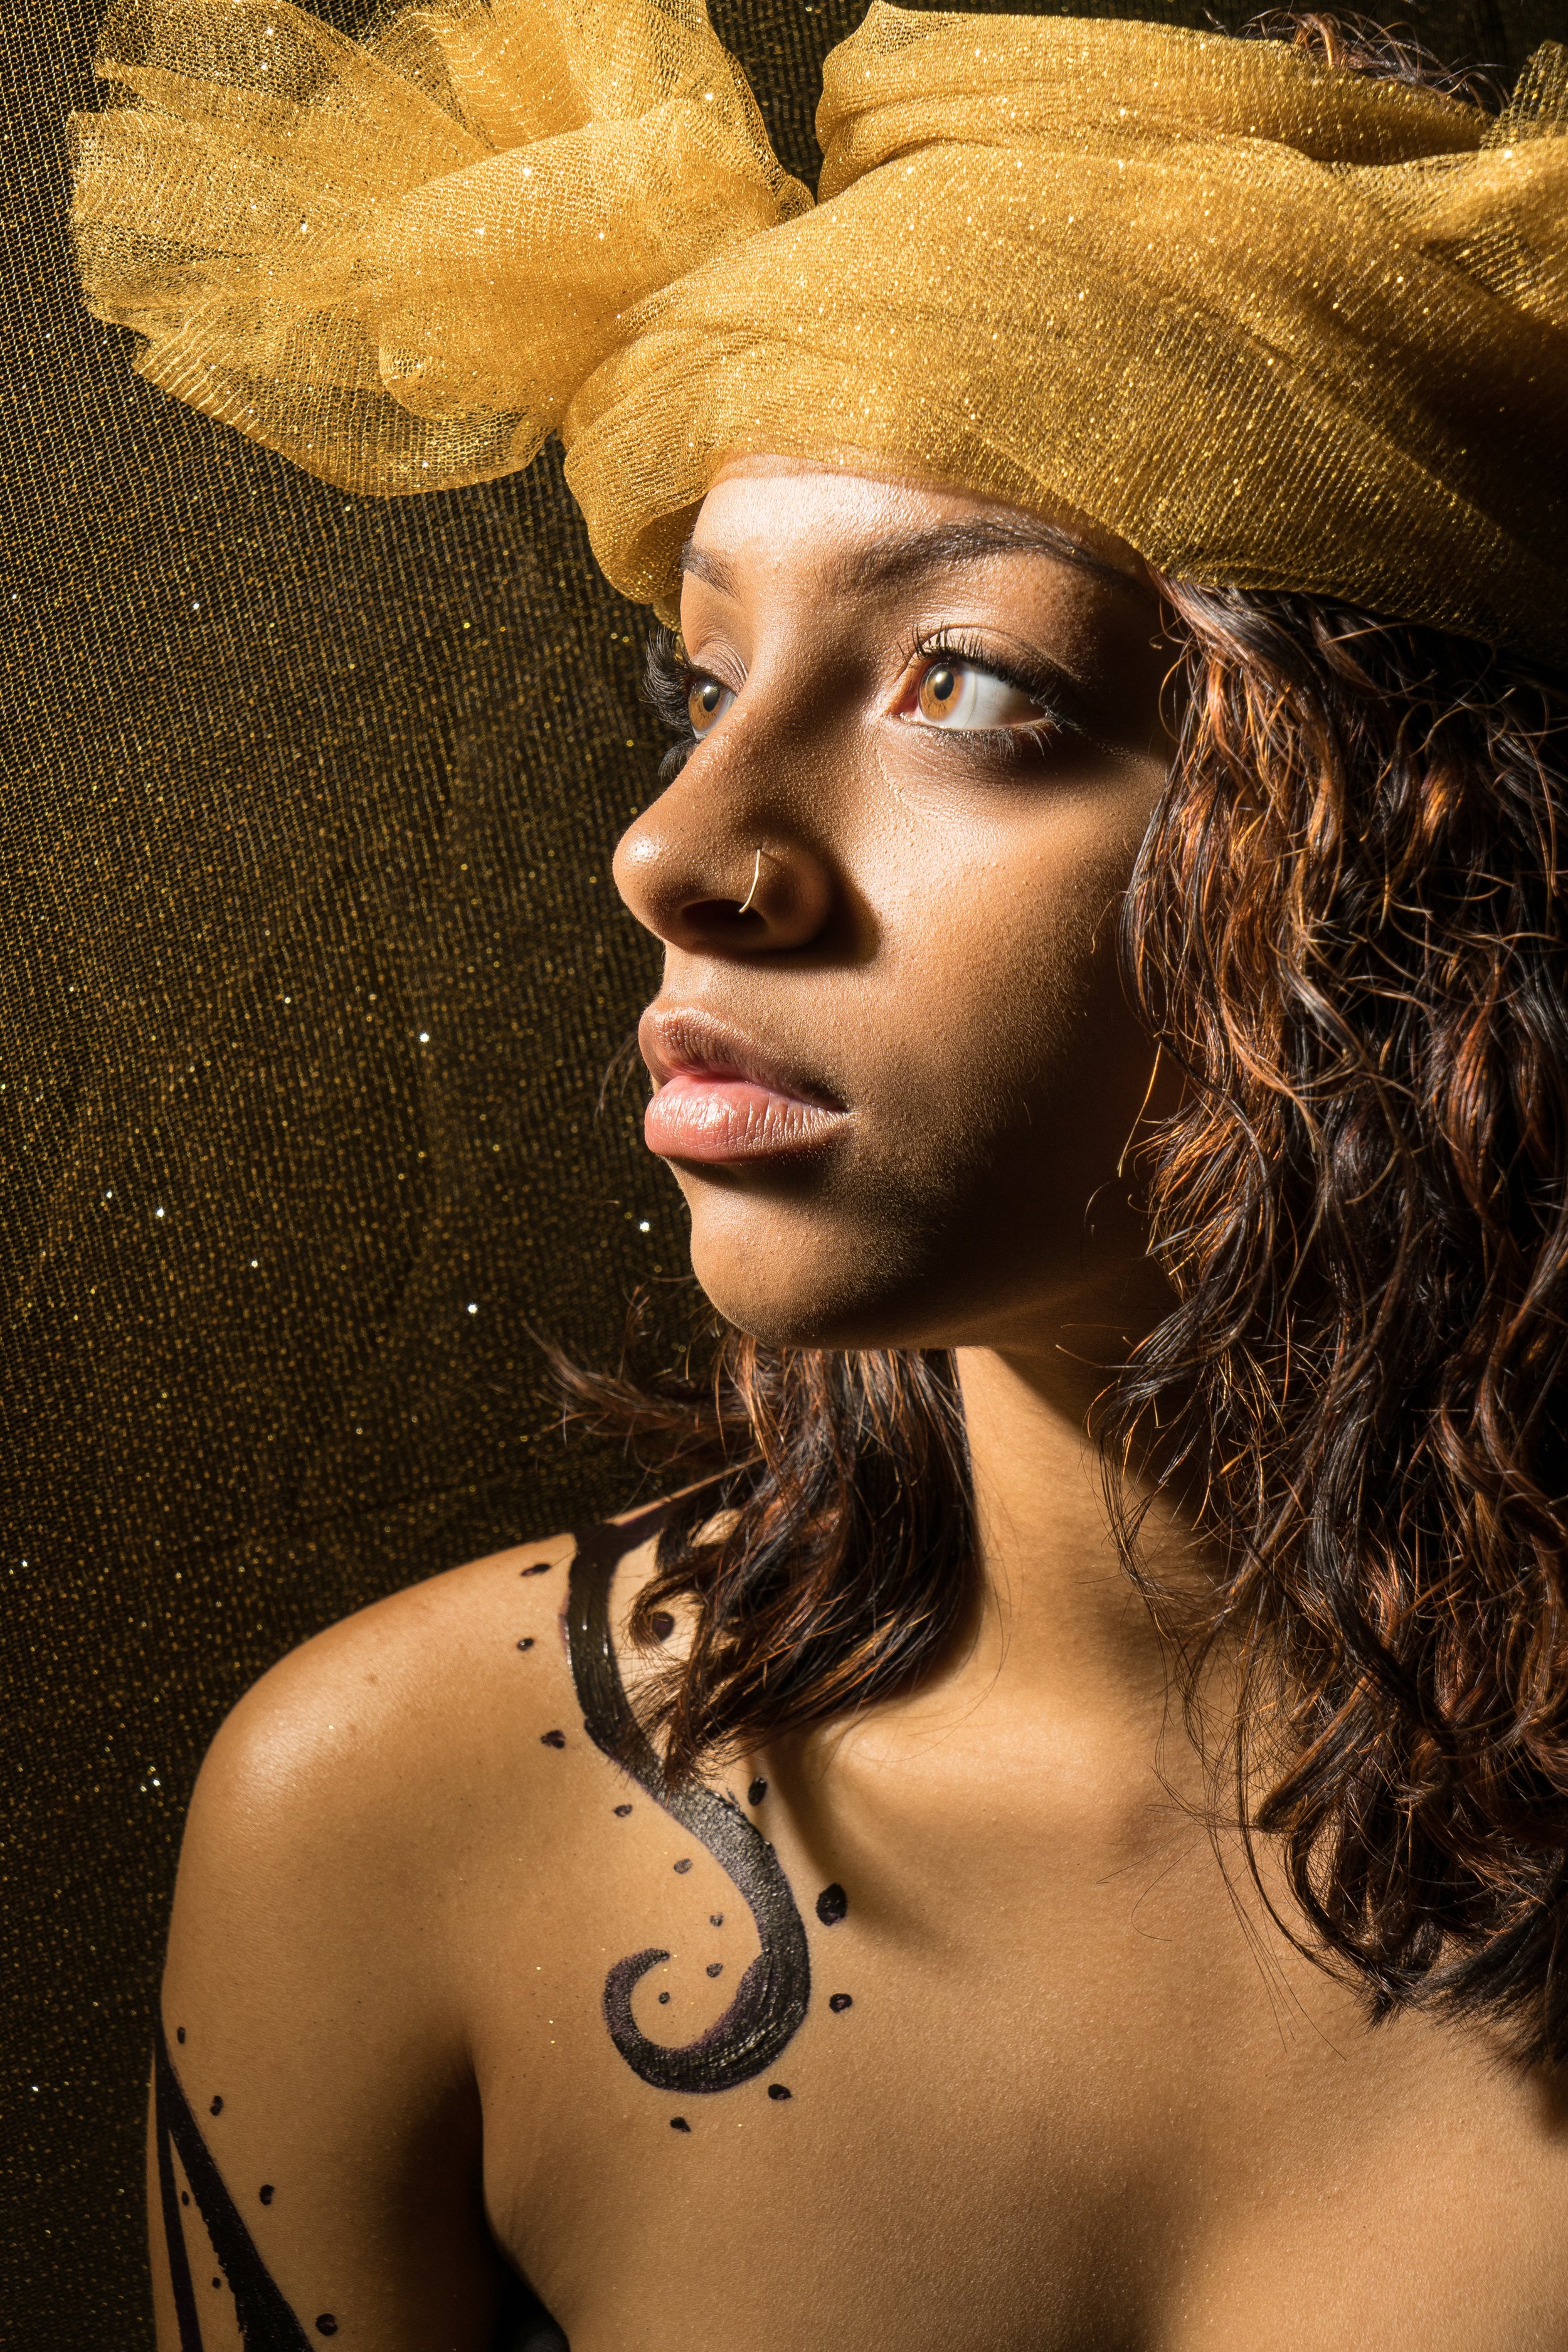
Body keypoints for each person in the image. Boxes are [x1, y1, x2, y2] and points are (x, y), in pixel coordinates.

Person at [72, 1, 1568, 2344]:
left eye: (968, 682)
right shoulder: (397, 1832)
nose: (681, 850)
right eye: (703, 680)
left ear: (1411, 868)